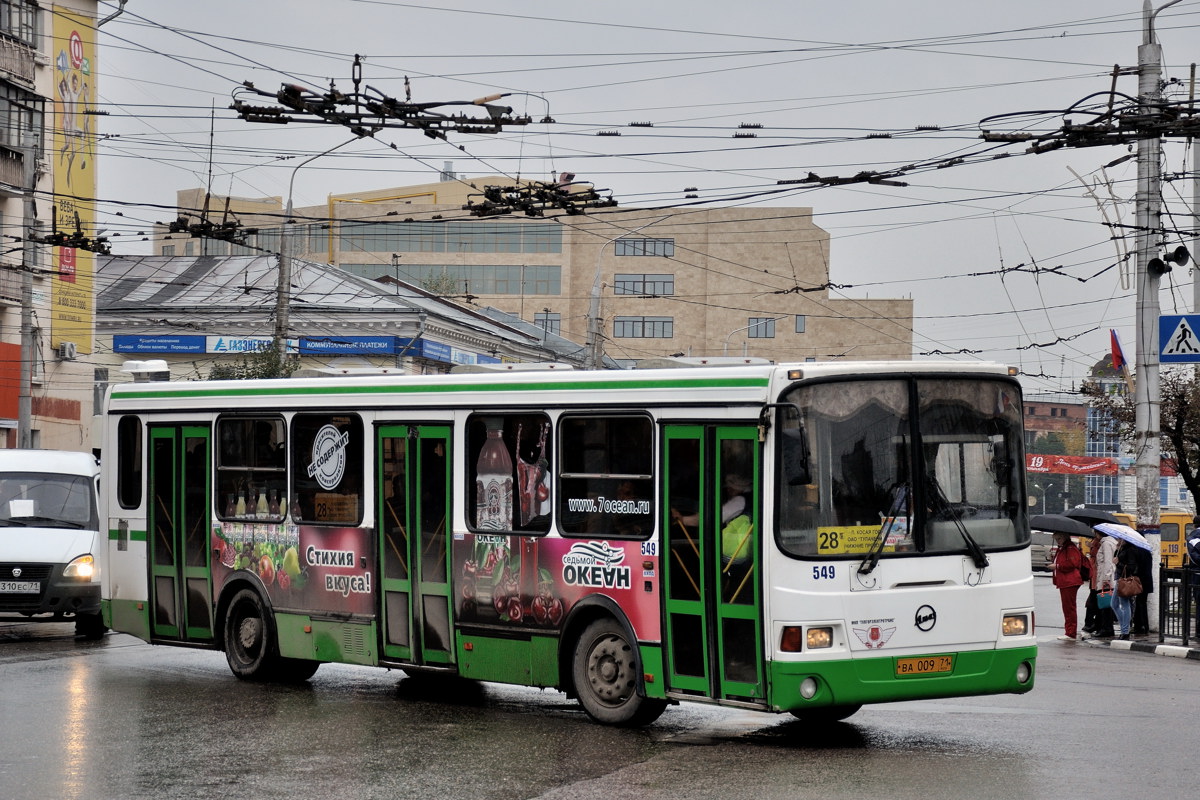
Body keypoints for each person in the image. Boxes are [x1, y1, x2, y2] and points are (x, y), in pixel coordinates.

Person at [1051, 533, 1085, 641]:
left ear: (1064, 537)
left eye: (1059, 538)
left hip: (1069, 581)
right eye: (1056, 539)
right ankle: (1069, 631)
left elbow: (1072, 563)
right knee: (1067, 607)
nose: (1058, 541)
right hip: (1066, 581)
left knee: (1069, 607)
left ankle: (1070, 633)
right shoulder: (1064, 548)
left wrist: (1057, 566)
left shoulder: (1070, 548)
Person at [1088, 530, 1117, 639]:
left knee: (1105, 604)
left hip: (1106, 578)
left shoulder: (1106, 544)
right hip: (1106, 577)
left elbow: (1108, 562)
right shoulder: (1109, 542)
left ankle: (1107, 628)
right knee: (1105, 604)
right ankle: (1104, 627)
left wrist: (1105, 578)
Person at [1112, 539, 1140, 640]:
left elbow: (1131, 568)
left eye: (1121, 539)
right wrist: (1117, 550)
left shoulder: (1130, 550)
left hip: (1125, 581)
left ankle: (1125, 631)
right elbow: (1116, 559)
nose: (1119, 540)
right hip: (1120, 580)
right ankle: (1124, 627)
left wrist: (1118, 563)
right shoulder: (1122, 549)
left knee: (1124, 604)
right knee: (1114, 604)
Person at [1130, 538, 1154, 636]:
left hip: (1140, 581)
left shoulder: (1137, 551)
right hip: (1146, 581)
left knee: (1140, 604)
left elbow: (1136, 567)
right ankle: (1143, 626)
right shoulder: (1147, 550)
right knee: (1142, 603)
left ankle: (1140, 626)